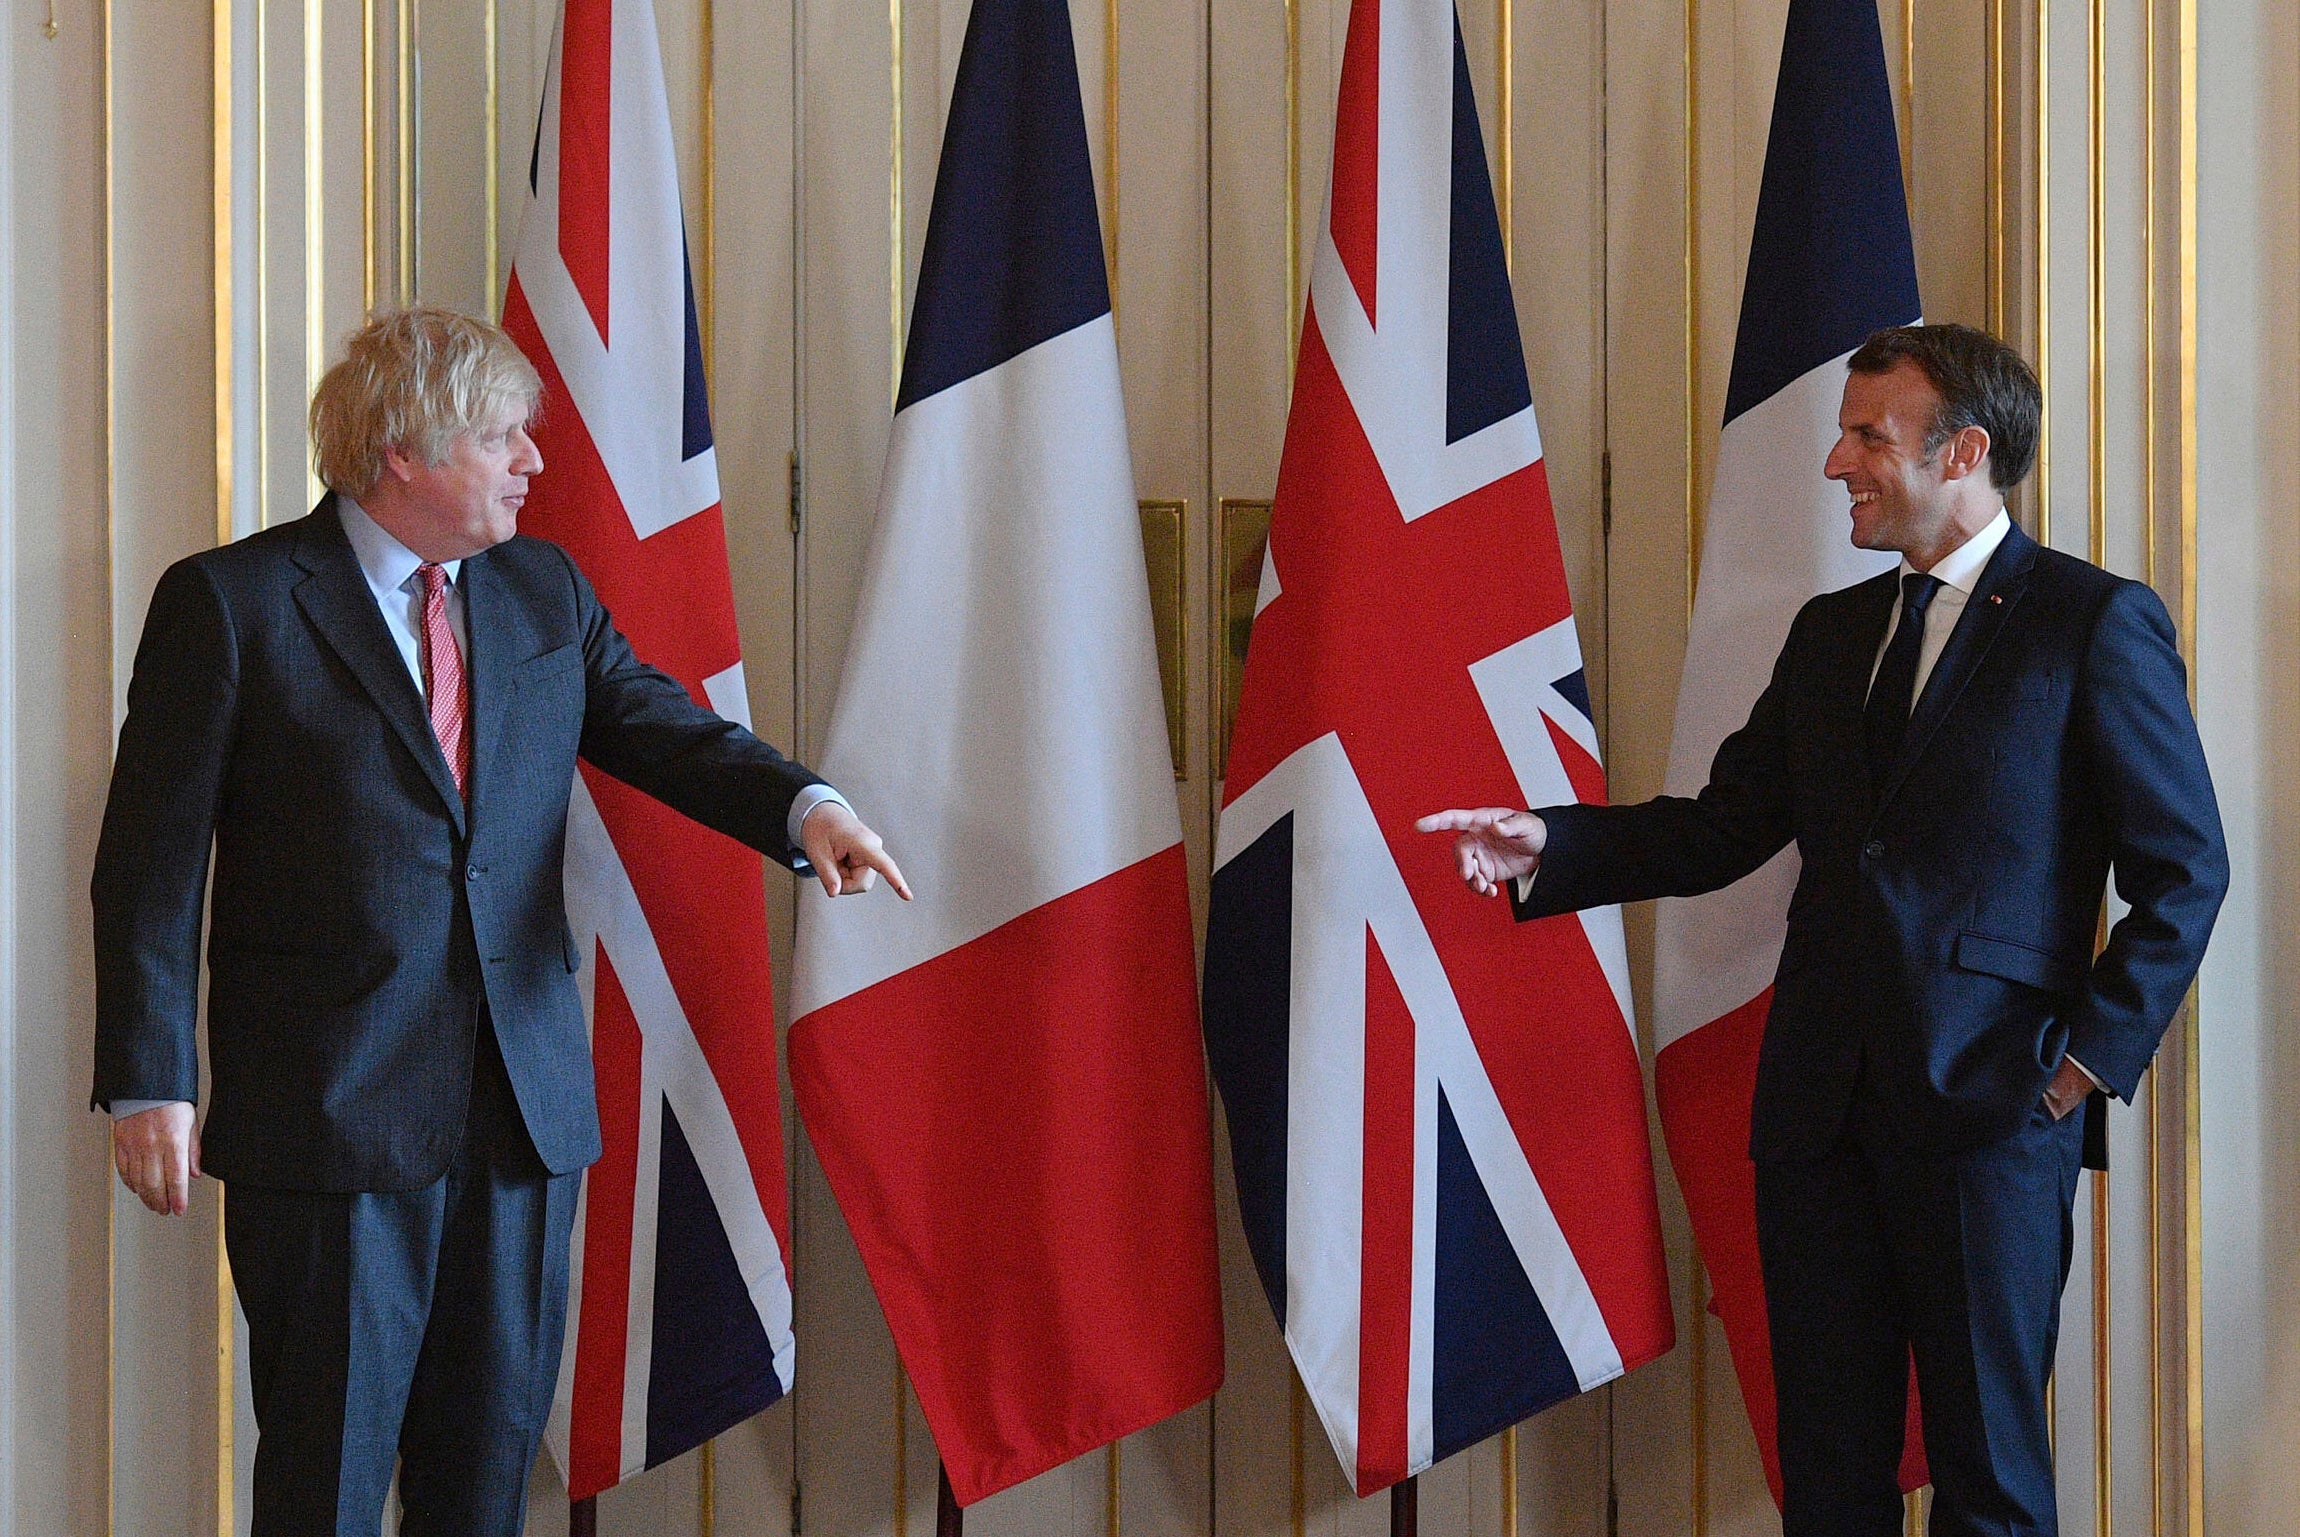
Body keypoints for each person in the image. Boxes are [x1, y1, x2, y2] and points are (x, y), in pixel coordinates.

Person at [90, 306, 908, 1535]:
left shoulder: (542, 589)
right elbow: (150, 865)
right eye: (501, 437)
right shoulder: (234, 602)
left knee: (483, 1479)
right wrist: (150, 1078)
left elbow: (660, 727)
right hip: (329, 1117)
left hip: (520, 1114)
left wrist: (806, 808)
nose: (533, 460)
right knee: (325, 1479)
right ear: (402, 450)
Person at [1420, 323, 2226, 1536]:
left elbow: (2184, 871)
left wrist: (2078, 1069)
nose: (1835, 462)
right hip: (1814, 1117)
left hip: (1990, 1114)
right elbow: (1722, 828)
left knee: (1989, 1481)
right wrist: (1553, 842)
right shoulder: (1830, 633)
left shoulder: (2089, 622)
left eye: (1866, 436)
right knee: (1828, 1479)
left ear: (1963, 452)